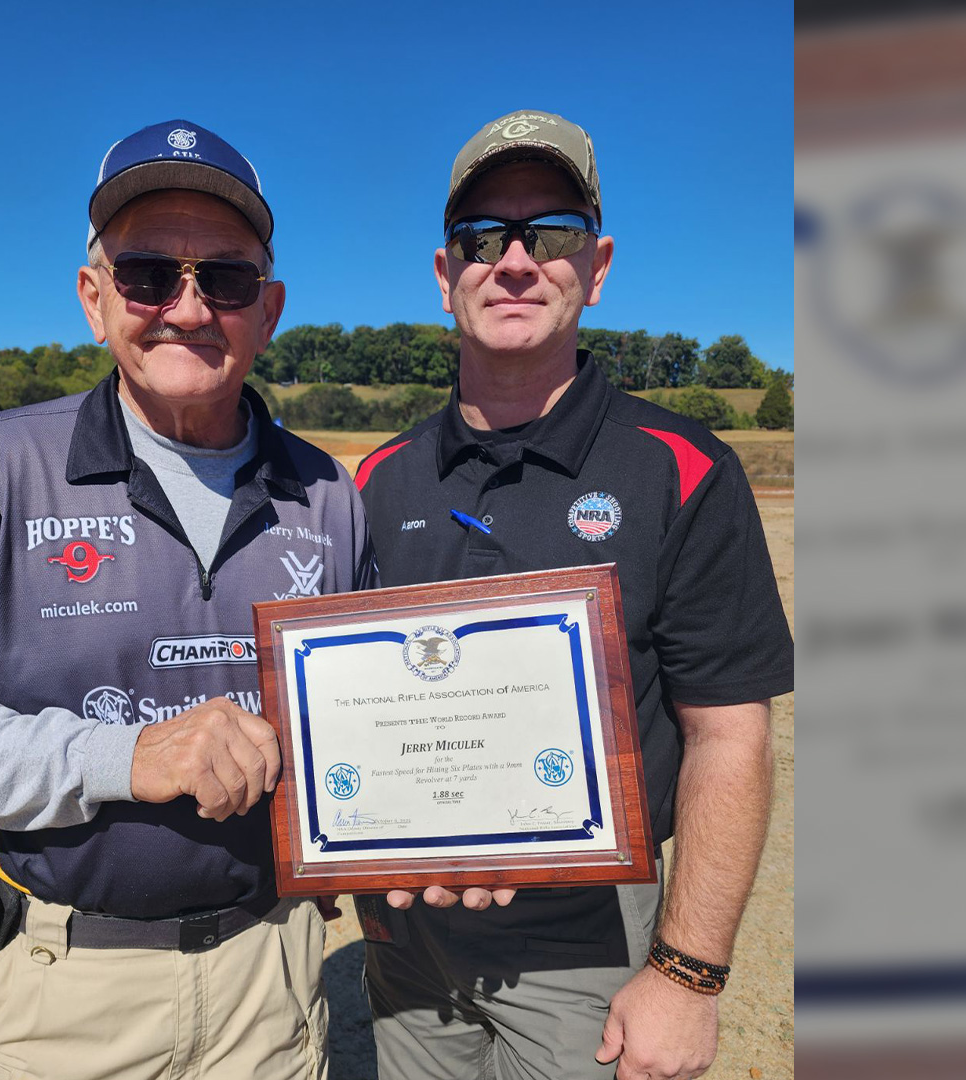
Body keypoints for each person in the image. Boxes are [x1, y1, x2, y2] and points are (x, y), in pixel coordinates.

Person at [0, 119, 374, 1080]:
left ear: (269, 309)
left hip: (274, 981)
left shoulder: (331, 493)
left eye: (225, 279)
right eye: (147, 275)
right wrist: (122, 756)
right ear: (95, 300)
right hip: (67, 992)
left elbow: (366, 723)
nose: (187, 308)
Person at [353, 110, 793, 1080]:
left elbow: (731, 736)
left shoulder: (682, 470)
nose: (513, 261)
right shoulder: (374, 482)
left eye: (547, 233)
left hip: (585, 940)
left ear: (596, 267)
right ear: (444, 276)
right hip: (402, 934)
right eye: (482, 238)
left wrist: (686, 975)